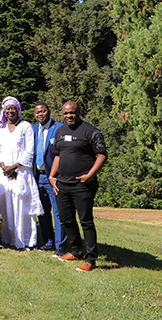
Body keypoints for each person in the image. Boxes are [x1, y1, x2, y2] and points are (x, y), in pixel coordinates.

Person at [49, 101, 108, 272]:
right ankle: (76, 251)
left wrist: (90, 175)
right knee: (66, 219)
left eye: (72, 113)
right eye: (66, 113)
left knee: (86, 221)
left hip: (83, 185)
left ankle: (90, 259)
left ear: (79, 112)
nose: (69, 116)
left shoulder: (90, 131)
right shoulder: (60, 131)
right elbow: (58, 156)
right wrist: (52, 176)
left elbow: (102, 155)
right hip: (62, 185)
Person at [0, 96, 43, 249]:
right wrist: (4, 167)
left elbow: (30, 151)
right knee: (6, 208)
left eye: (13, 108)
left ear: (18, 110)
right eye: (8, 108)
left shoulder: (26, 126)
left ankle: (26, 241)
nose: (10, 111)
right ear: (4, 111)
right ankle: (9, 239)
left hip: (21, 173)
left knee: (22, 208)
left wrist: (14, 166)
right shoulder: (0, 129)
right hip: (4, 175)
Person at [33, 101, 66, 256]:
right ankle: (48, 242)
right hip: (37, 176)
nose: (41, 114)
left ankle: (60, 246)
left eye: (43, 111)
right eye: (38, 112)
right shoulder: (33, 130)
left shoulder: (59, 128)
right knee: (43, 212)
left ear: (49, 111)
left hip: (53, 177)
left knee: (58, 212)